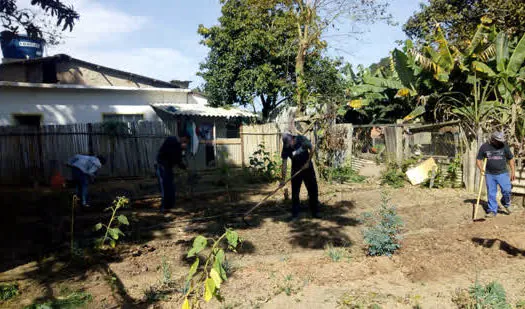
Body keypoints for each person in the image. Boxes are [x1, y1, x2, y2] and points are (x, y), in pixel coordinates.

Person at [281, 133, 320, 220]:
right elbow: (284, 163)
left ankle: (315, 212)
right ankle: (295, 214)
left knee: (313, 189)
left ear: (292, 138)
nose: (289, 146)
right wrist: (283, 179)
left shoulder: (302, 139)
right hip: (296, 169)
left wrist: (307, 162)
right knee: (295, 193)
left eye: (289, 143)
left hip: (307, 168)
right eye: (287, 144)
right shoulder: (286, 147)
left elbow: (312, 148)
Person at [476, 131, 516, 218]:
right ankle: (492, 210)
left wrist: (513, 171)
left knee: (507, 190)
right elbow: (479, 159)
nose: (500, 142)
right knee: (491, 193)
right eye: (498, 140)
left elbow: (511, 158)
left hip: (503, 173)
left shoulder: (504, 145)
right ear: (493, 139)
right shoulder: (485, 147)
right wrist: (481, 169)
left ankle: (506, 203)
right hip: (490, 174)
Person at [156, 135, 189, 211]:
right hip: (162, 166)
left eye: (186, 142)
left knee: (170, 185)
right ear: (182, 137)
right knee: (165, 186)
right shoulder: (172, 140)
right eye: (185, 141)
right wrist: (180, 148)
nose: (185, 143)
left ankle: (170, 205)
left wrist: (185, 167)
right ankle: (164, 207)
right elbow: (174, 156)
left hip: (168, 167)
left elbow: (178, 160)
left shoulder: (178, 146)